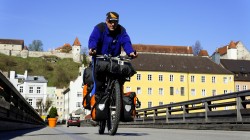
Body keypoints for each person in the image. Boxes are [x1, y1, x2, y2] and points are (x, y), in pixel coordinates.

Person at [88, 11, 138, 97]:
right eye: (110, 22)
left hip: (114, 61)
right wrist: (92, 48)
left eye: (115, 22)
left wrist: (131, 52)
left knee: (120, 81)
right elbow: (93, 38)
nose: (112, 24)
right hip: (100, 60)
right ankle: (95, 104)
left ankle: (117, 101)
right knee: (98, 85)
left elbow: (126, 42)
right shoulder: (100, 28)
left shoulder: (121, 30)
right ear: (106, 21)